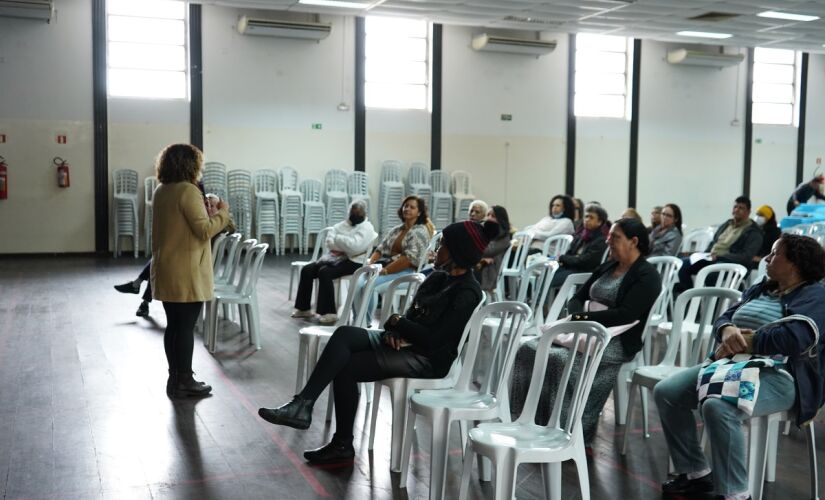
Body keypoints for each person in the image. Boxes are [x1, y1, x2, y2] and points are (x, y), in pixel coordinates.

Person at [258, 220, 499, 464]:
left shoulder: (468, 292)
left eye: (445, 244)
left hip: (428, 360)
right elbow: (410, 319)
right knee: (344, 334)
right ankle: (304, 405)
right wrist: (396, 330)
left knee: (347, 366)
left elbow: (432, 340)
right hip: (410, 344)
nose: (438, 249)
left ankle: (338, 440)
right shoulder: (438, 278)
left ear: (459, 251)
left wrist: (396, 323)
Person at [654, 234, 825, 500]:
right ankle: (696, 473)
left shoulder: (816, 296)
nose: (767, 258)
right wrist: (726, 330)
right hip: (735, 365)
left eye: (775, 253)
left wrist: (746, 341)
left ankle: (735, 493)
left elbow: (795, 339)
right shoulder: (763, 287)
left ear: (795, 264)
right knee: (667, 391)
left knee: (718, 406)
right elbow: (725, 317)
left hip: (785, 375)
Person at [509, 218, 660, 445]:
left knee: (561, 361)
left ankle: (566, 431)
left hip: (614, 339)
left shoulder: (647, 275)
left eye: (615, 237)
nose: (609, 241)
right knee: (529, 349)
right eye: (609, 237)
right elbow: (578, 298)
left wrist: (583, 319)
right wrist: (578, 317)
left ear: (634, 241)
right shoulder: (608, 266)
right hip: (582, 330)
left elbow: (626, 314)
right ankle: (529, 420)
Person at [151, 144, 229, 399]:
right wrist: (222, 214)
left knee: (173, 326)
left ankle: (175, 377)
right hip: (186, 269)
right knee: (185, 327)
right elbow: (204, 231)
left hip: (166, 266)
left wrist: (205, 215)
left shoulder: (163, 190)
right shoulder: (188, 191)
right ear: (190, 165)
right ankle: (184, 379)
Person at [291, 200, 378, 324]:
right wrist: (345, 244)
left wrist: (339, 240)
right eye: (353, 212)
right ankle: (303, 308)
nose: (355, 215)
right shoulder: (342, 225)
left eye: (358, 213)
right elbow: (329, 242)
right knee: (307, 270)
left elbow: (355, 247)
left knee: (325, 272)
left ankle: (329, 312)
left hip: (355, 261)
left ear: (364, 214)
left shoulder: (367, 227)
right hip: (335, 258)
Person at [356, 195, 430, 326]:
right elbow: (379, 249)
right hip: (385, 268)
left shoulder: (419, 231)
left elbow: (408, 259)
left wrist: (384, 271)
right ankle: (358, 320)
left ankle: (364, 324)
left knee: (370, 285)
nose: (407, 209)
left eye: (412, 207)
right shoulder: (397, 229)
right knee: (358, 282)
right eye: (405, 206)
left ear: (419, 212)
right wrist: (370, 264)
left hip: (407, 272)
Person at [676, 196, 763, 292]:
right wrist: (703, 254)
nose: (736, 210)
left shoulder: (754, 232)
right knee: (683, 265)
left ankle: (714, 305)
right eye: (735, 207)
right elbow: (714, 243)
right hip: (712, 259)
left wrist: (720, 257)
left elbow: (745, 257)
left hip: (732, 264)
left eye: (741, 208)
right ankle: (690, 301)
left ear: (748, 212)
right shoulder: (727, 224)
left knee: (711, 275)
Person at [549, 203, 609, 287]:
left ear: (599, 222)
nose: (587, 220)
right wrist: (563, 259)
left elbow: (584, 261)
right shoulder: (581, 236)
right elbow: (570, 253)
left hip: (584, 273)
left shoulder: (601, 241)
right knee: (547, 272)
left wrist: (563, 258)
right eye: (586, 216)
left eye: (591, 217)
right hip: (572, 268)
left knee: (550, 280)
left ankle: (545, 299)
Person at [475, 205, 513, 293]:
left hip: (490, 271)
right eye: (488, 215)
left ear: (501, 219)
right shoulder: (484, 230)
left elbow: (486, 250)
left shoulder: (503, 236)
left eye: (493, 216)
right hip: (481, 265)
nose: (489, 218)